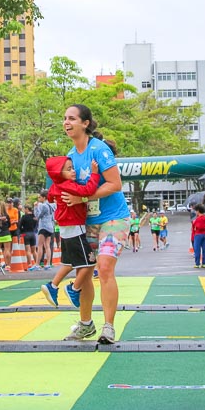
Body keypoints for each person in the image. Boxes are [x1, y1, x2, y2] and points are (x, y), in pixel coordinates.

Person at [58, 104, 127, 344]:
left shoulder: (99, 150)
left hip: (113, 217)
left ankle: (108, 327)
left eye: (72, 118)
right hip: (85, 221)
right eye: (65, 119)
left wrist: (84, 197)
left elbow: (115, 184)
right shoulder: (70, 156)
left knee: (105, 267)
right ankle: (86, 324)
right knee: (84, 272)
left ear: (85, 123)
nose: (67, 123)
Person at [40, 156, 100, 312]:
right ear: (59, 173)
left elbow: (51, 197)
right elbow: (88, 190)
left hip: (65, 229)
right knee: (90, 262)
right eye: (68, 169)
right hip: (75, 228)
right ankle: (74, 288)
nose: (73, 171)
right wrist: (94, 173)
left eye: (72, 167)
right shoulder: (69, 186)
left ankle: (52, 286)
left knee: (69, 263)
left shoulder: (55, 187)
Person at [33, 190, 55, 269]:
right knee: (47, 246)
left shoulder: (42, 205)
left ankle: (37, 264)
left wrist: (35, 207)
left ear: (44, 197)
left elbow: (38, 216)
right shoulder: (52, 205)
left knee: (40, 245)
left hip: (43, 226)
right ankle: (48, 263)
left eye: (40, 197)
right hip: (50, 227)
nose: (39, 199)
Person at [190, 203, 205, 269]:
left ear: (198, 211)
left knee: (197, 249)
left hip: (198, 234)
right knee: (204, 249)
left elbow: (195, 227)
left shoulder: (198, 219)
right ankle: (204, 263)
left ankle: (197, 263)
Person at [20, 203, 38, 270]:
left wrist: (21, 232)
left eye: (25, 209)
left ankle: (30, 263)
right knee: (34, 250)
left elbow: (20, 225)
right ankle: (37, 263)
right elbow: (36, 225)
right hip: (33, 233)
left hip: (26, 234)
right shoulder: (34, 217)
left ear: (27, 209)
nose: (24, 210)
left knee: (28, 250)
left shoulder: (24, 217)